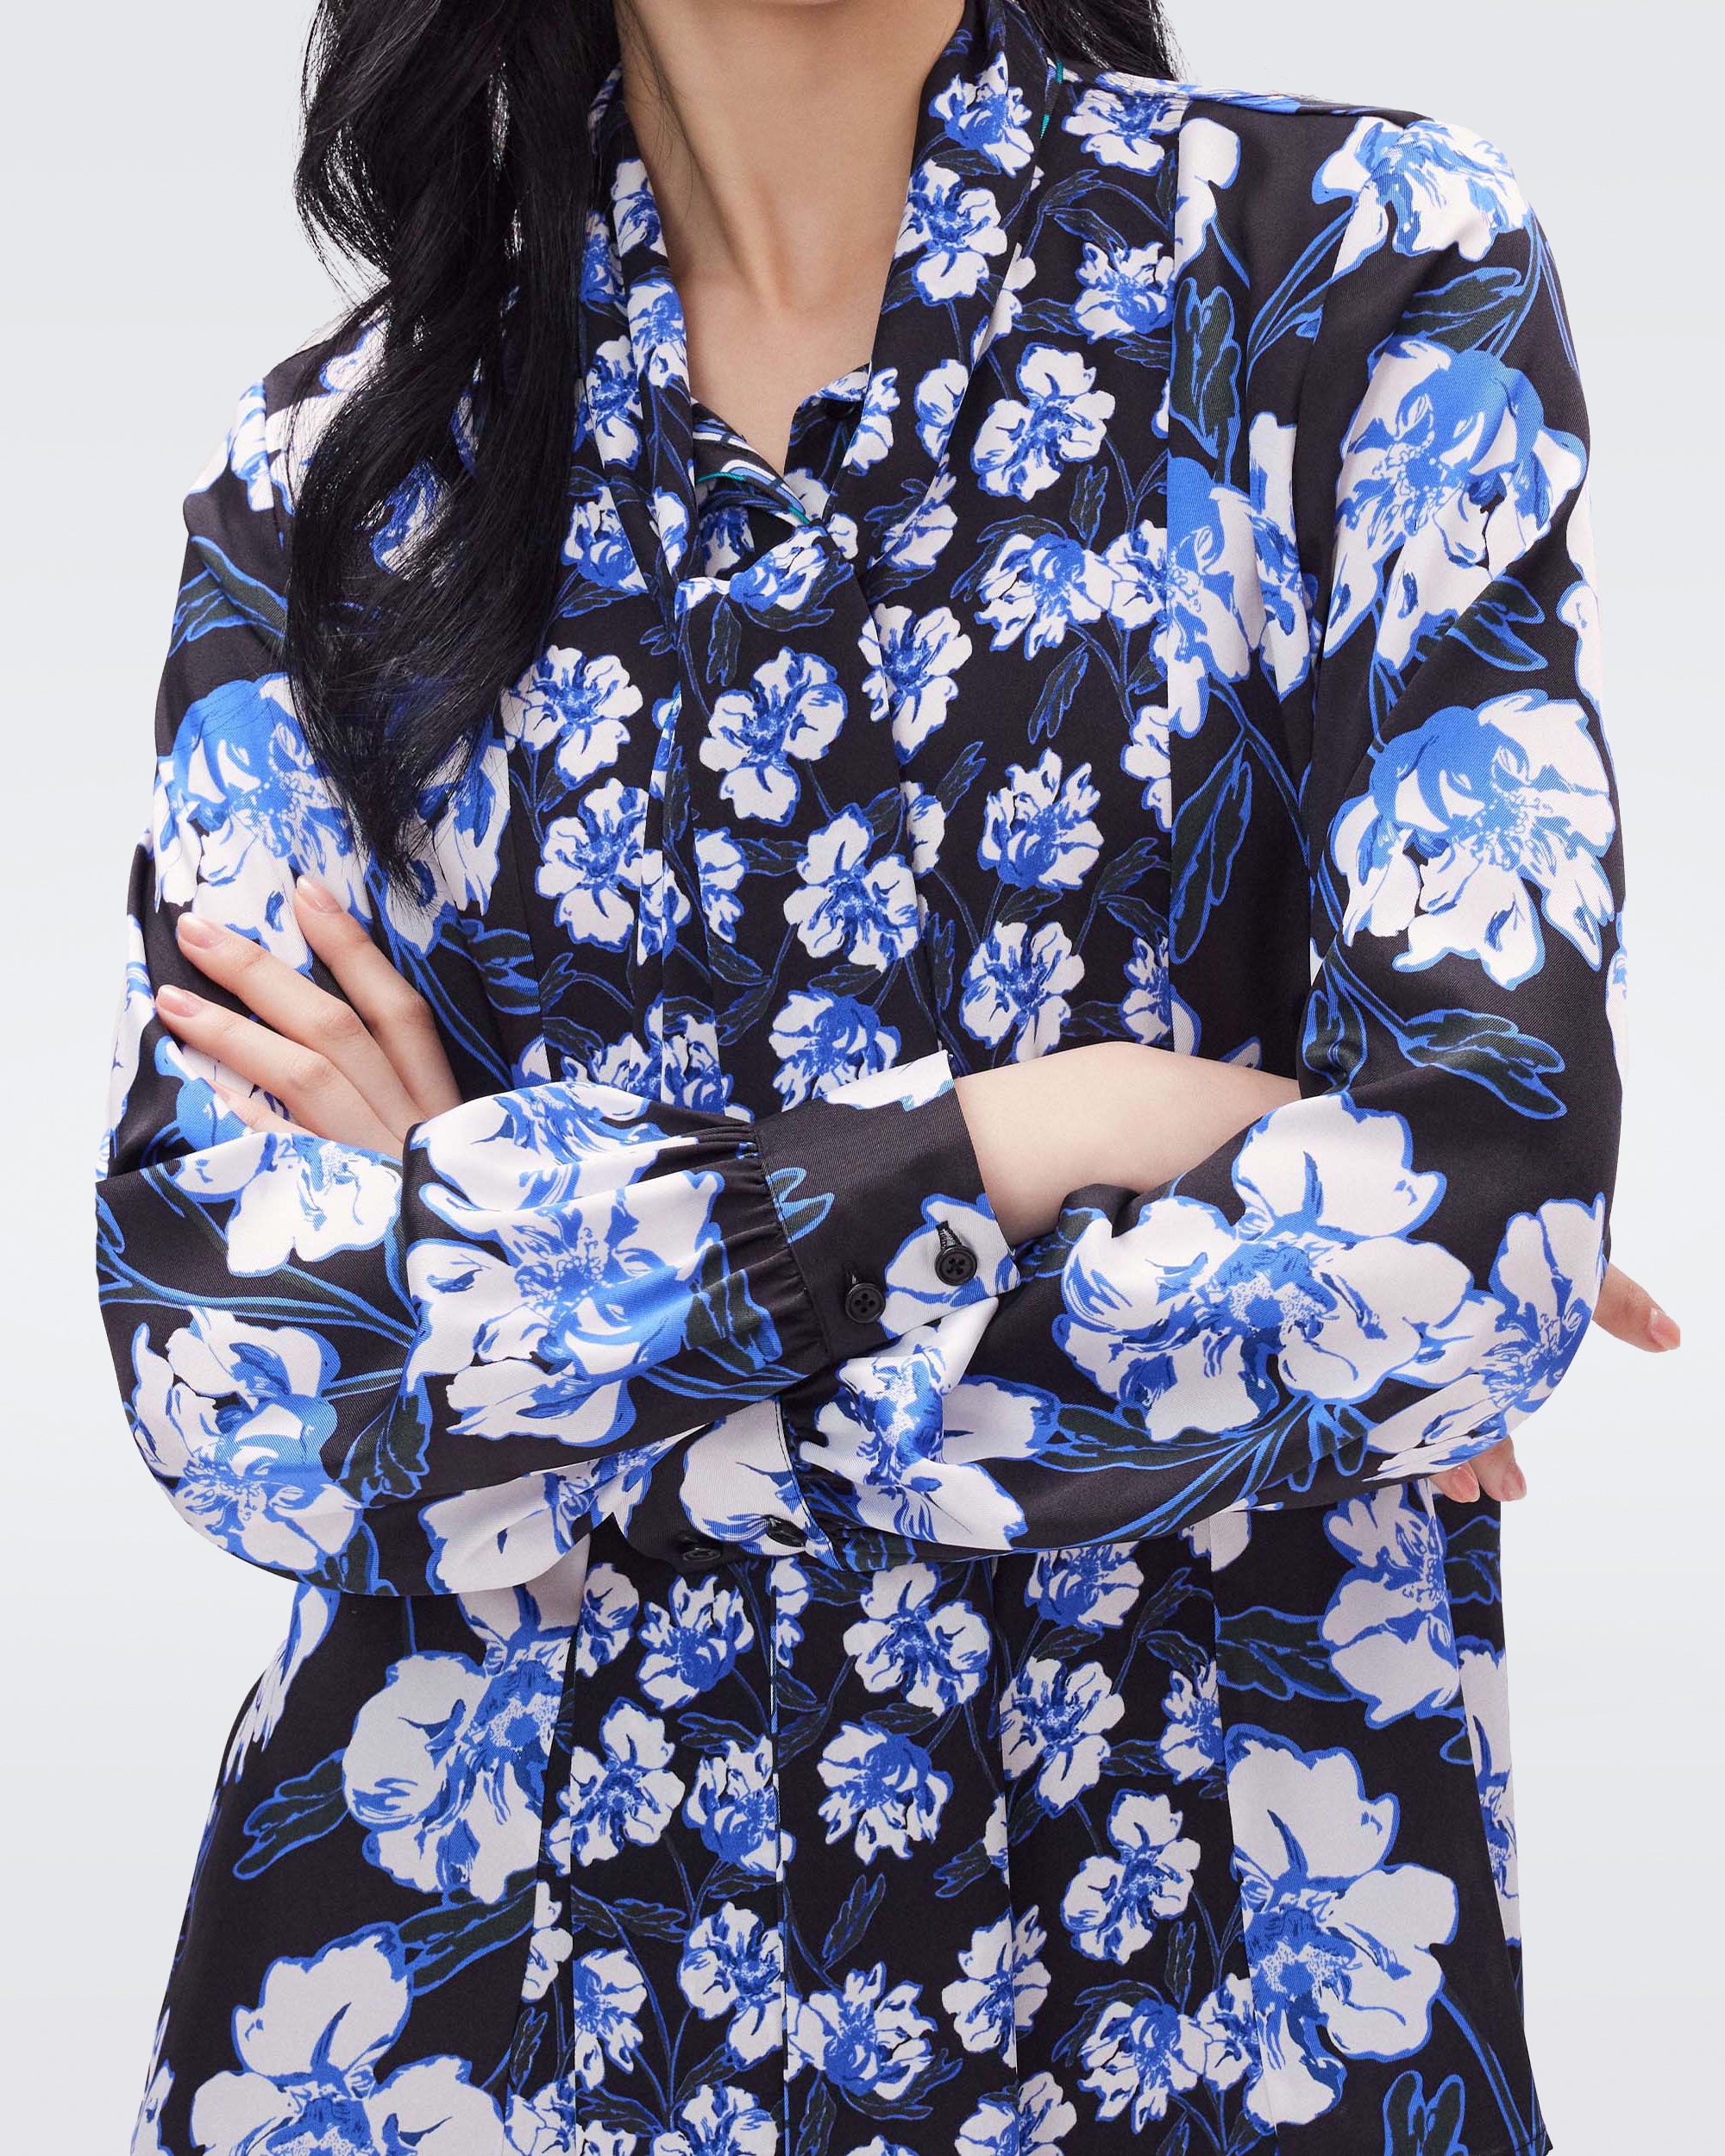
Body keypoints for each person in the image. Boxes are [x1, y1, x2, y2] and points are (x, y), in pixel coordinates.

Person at [94, 3, 1675, 2151]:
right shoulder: (333, 477)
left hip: (1201, 2004)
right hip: (476, 2026)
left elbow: (1476, 1238)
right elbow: (234, 1368)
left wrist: (516, 1278)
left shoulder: (1353, 275)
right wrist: (1032, 1138)